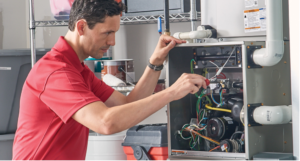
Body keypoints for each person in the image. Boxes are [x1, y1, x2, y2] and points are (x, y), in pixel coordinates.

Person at [13, 0, 207, 160]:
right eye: (107, 33)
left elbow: (129, 103)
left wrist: (155, 63)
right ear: (81, 27)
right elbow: (105, 123)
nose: (112, 41)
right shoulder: (56, 72)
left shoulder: (77, 69)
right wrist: (172, 92)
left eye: (115, 33)